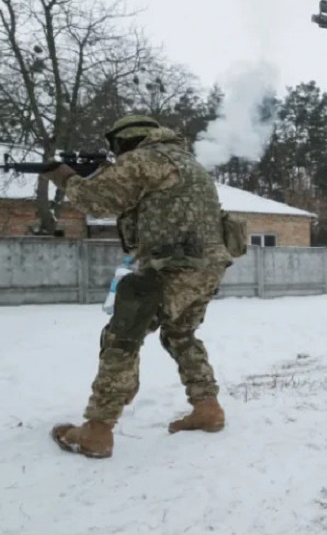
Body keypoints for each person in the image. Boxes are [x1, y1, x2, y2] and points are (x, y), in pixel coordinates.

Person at [41, 115, 235, 459]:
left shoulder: (146, 159)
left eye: (117, 149)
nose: (117, 155)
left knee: (121, 337)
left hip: (170, 270)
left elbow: (96, 202)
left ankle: (97, 430)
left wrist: (65, 177)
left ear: (126, 141)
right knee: (180, 335)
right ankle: (207, 408)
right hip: (206, 268)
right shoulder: (187, 163)